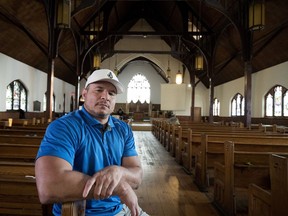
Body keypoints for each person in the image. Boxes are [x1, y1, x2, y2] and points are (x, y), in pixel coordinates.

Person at [35, 69, 148, 216]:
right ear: (84, 94)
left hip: (120, 209)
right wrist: (121, 188)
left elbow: (137, 176)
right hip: (79, 212)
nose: (105, 97)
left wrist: (119, 171)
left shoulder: (123, 129)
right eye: (98, 90)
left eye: (111, 93)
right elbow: (49, 188)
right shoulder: (65, 127)